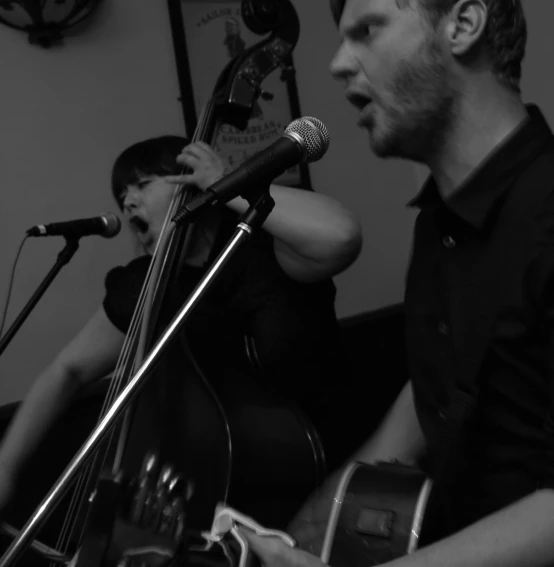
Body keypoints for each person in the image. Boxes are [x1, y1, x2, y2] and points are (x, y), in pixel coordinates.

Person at [242, 0, 554, 567]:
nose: (336, 63)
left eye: (368, 30)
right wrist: (330, 503)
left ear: (462, 26)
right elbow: (450, 376)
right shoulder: (438, 220)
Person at [0, 135, 365, 523]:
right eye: (121, 194)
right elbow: (67, 371)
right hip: (220, 494)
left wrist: (229, 184)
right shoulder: (145, 284)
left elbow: (340, 236)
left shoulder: (268, 248)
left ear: (192, 182)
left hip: (325, 469)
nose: (127, 202)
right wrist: (5, 468)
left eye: (142, 185)